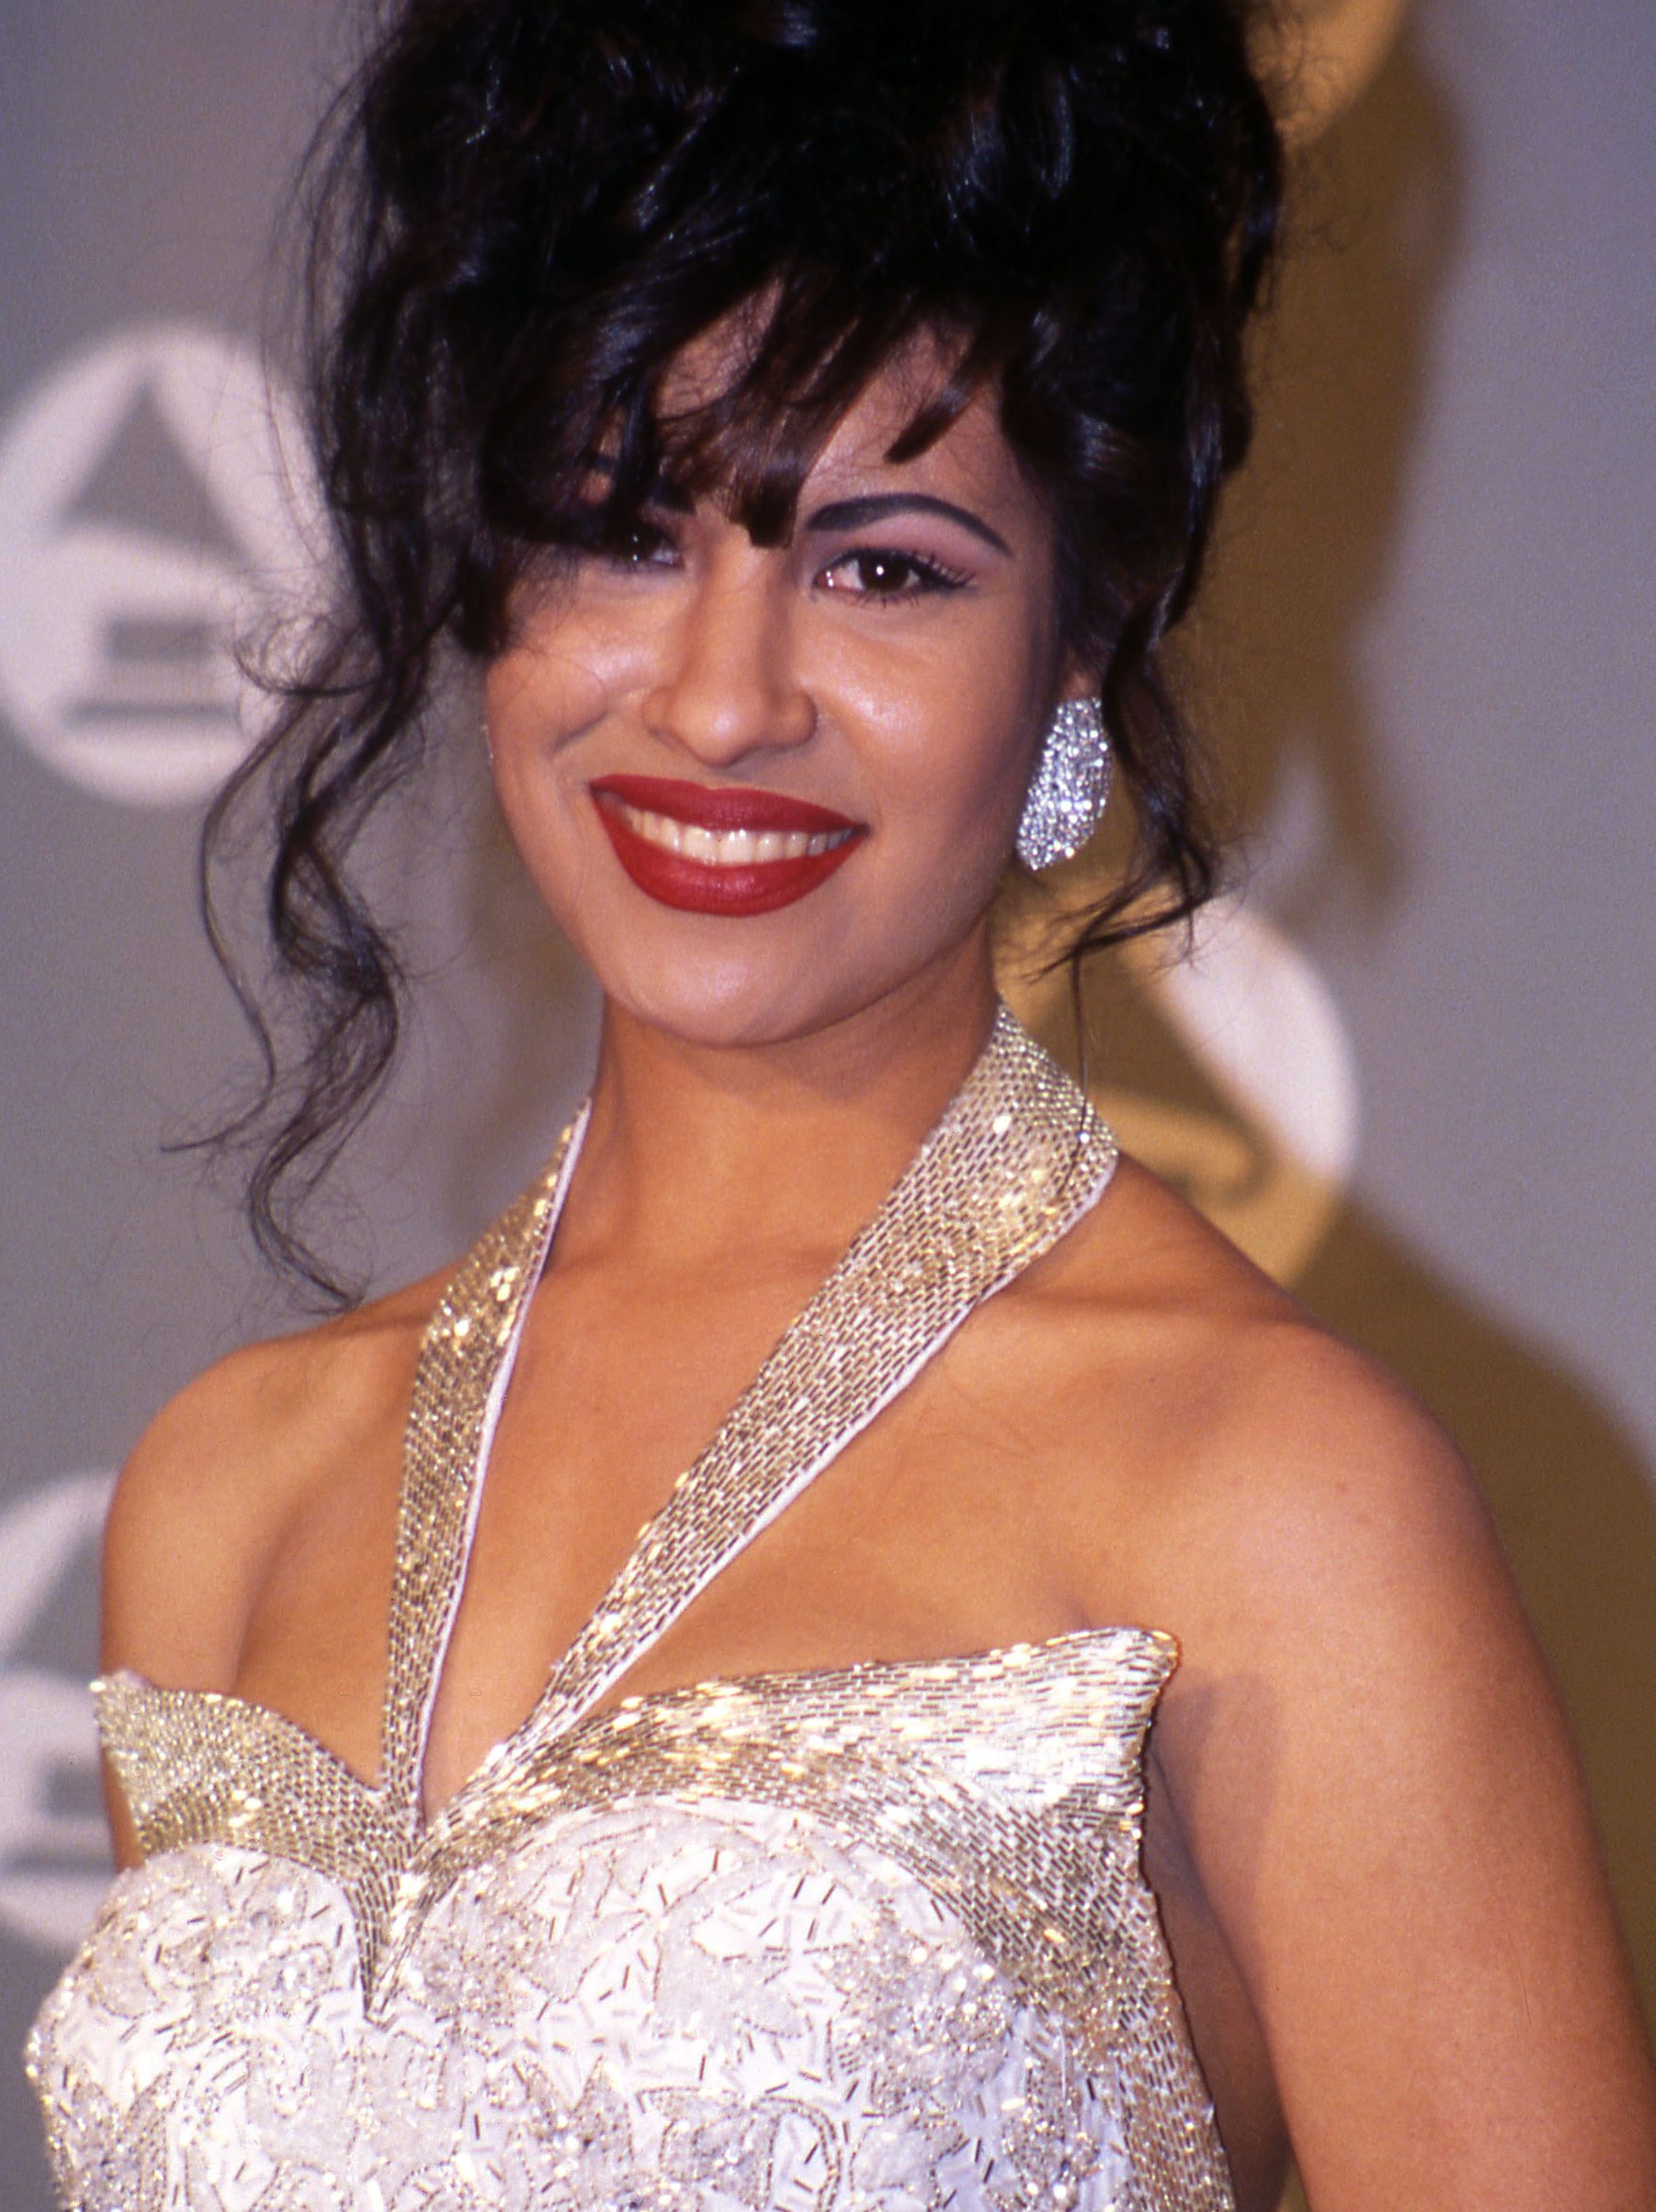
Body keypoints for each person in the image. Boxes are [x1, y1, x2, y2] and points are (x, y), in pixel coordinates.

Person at [26, 1, 1656, 2206]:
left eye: (883, 565)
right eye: (619, 527)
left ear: (1080, 632)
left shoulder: (1274, 1499)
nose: (720, 695)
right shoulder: (231, 1491)